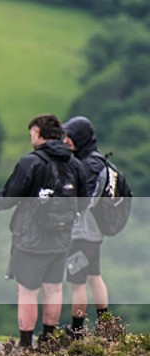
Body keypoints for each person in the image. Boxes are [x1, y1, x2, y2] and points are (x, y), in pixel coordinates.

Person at [0, 114, 87, 348]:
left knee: (27, 292)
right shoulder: (75, 164)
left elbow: (7, 199)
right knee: (54, 289)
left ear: (38, 133)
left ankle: (26, 346)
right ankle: (48, 340)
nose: (31, 138)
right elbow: (83, 203)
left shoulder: (31, 162)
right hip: (62, 239)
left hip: (31, 241)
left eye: (31, 134)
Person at [62, 116, 110, 336]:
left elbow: (84, 199)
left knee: (77, 281)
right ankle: (106, 326)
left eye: (69, 136)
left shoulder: (89, 164)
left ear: (80, 138)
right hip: (94, 231)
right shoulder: (96, 160)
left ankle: (77, 331)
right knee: (94, 275)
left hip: (82, 231)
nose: (65, 140)